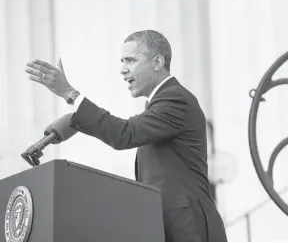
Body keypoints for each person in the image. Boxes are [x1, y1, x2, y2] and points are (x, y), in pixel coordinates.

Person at [25, 30, 228, 242]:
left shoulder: (175, 99)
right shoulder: (161, 102)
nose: (123, 69)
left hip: (190, 230)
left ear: (157, 62)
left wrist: (70, 94)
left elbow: (124, 134)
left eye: (130, 60)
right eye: (122, 61)